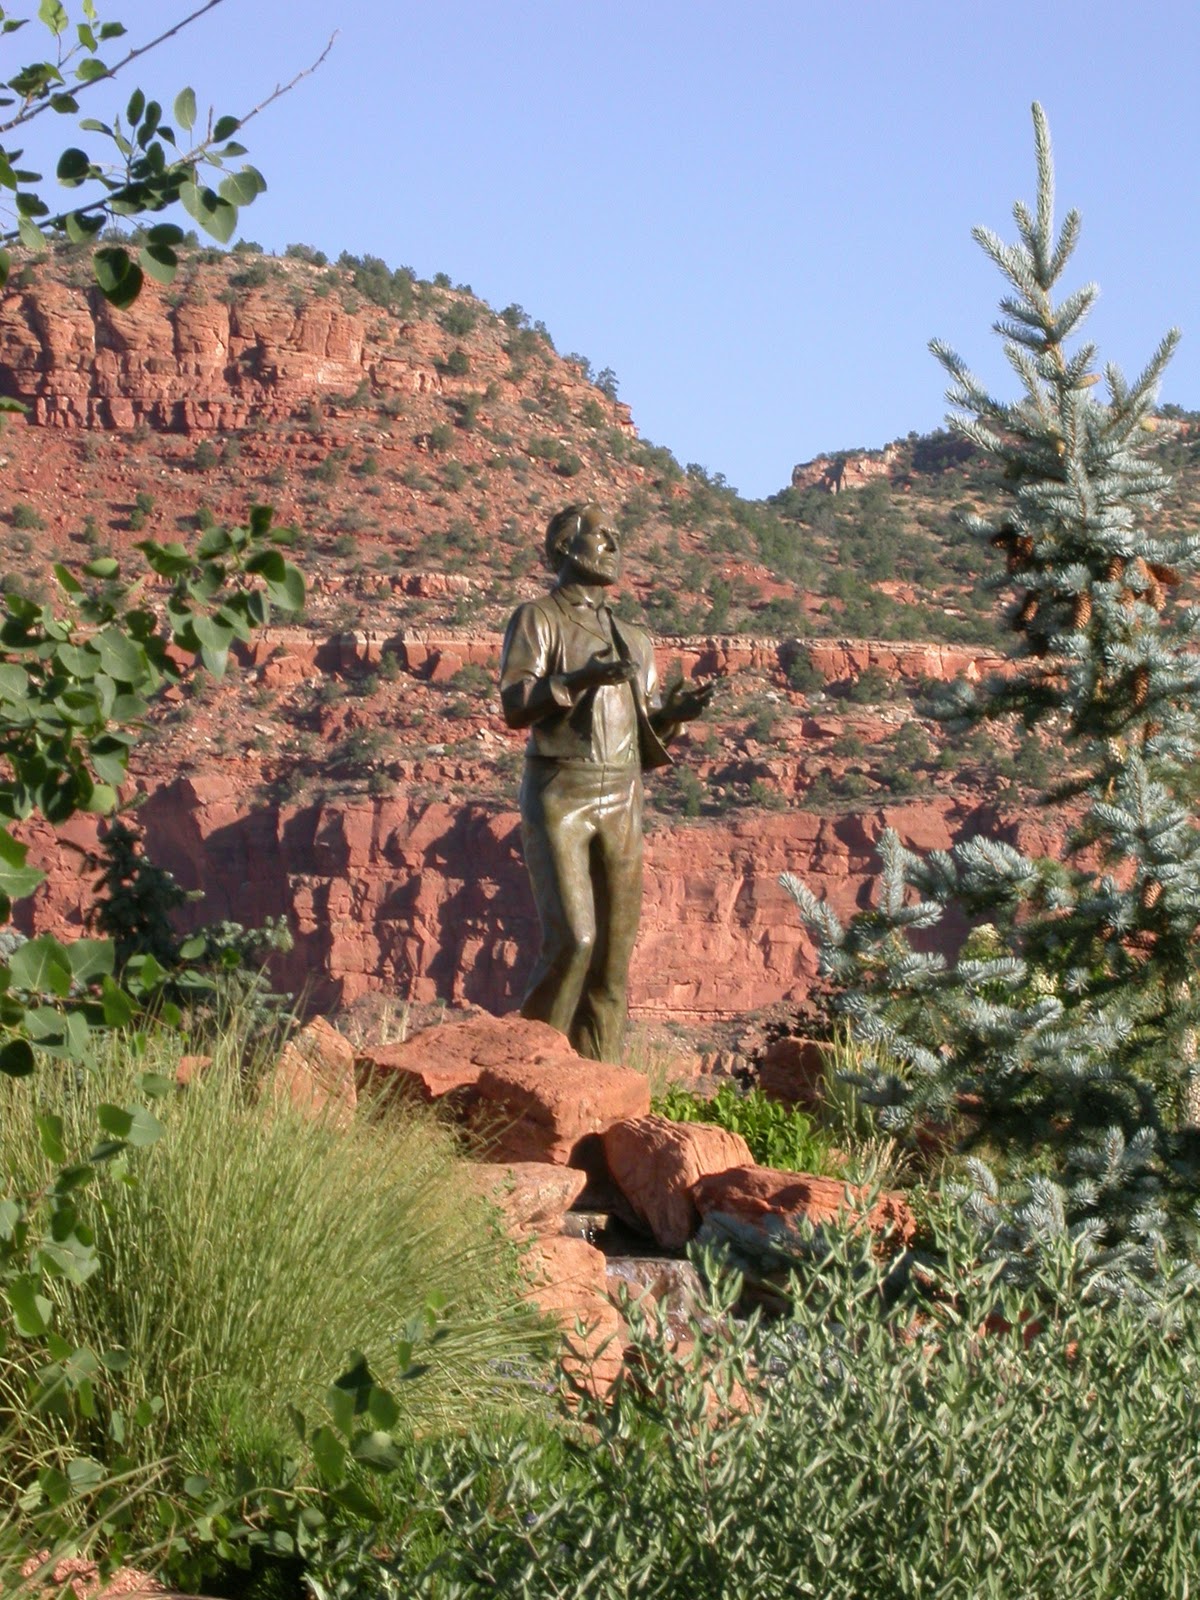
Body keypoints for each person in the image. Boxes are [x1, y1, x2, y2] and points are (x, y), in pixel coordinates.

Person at [499, 502, 714, 1062]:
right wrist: (577, 679)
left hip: (623, 796)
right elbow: (515, 704)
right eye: (602, 537)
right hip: (560, 790)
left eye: (618, 537)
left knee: (613, 963)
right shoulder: (538, 618)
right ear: (566, 548)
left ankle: (598, 1088)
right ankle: (533, 1071)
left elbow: (640, 736)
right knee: (574, 940)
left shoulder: (634, 638)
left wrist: (673, 716)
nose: (614, 546)